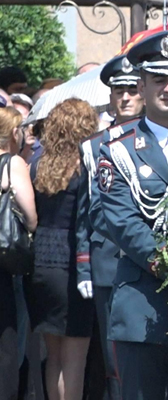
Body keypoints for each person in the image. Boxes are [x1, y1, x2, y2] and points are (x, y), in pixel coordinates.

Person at [98, 31, 168, 399]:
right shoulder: (117, 149)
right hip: (143, 307)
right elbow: (123, 223)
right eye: (159, 80)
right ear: (142, 86)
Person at [76, 54, 144, 400]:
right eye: (120, 90)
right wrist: (84, 266)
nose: (127, 97)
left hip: (150, 261)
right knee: (114, 360)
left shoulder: (159, 138)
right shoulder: (92, 146)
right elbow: (85, 212)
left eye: (133, 89)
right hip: (108, 263)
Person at [25, 98, 98, 400]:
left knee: (52, 356)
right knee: (75, 359)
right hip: (73, 265)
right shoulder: (85, 166)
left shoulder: (37, 165)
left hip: (39, 265)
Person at [0, 107, 37, 399]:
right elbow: (31, 216)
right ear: (14, 133)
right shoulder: (12, 163)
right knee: (10, 341)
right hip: (6, 262)